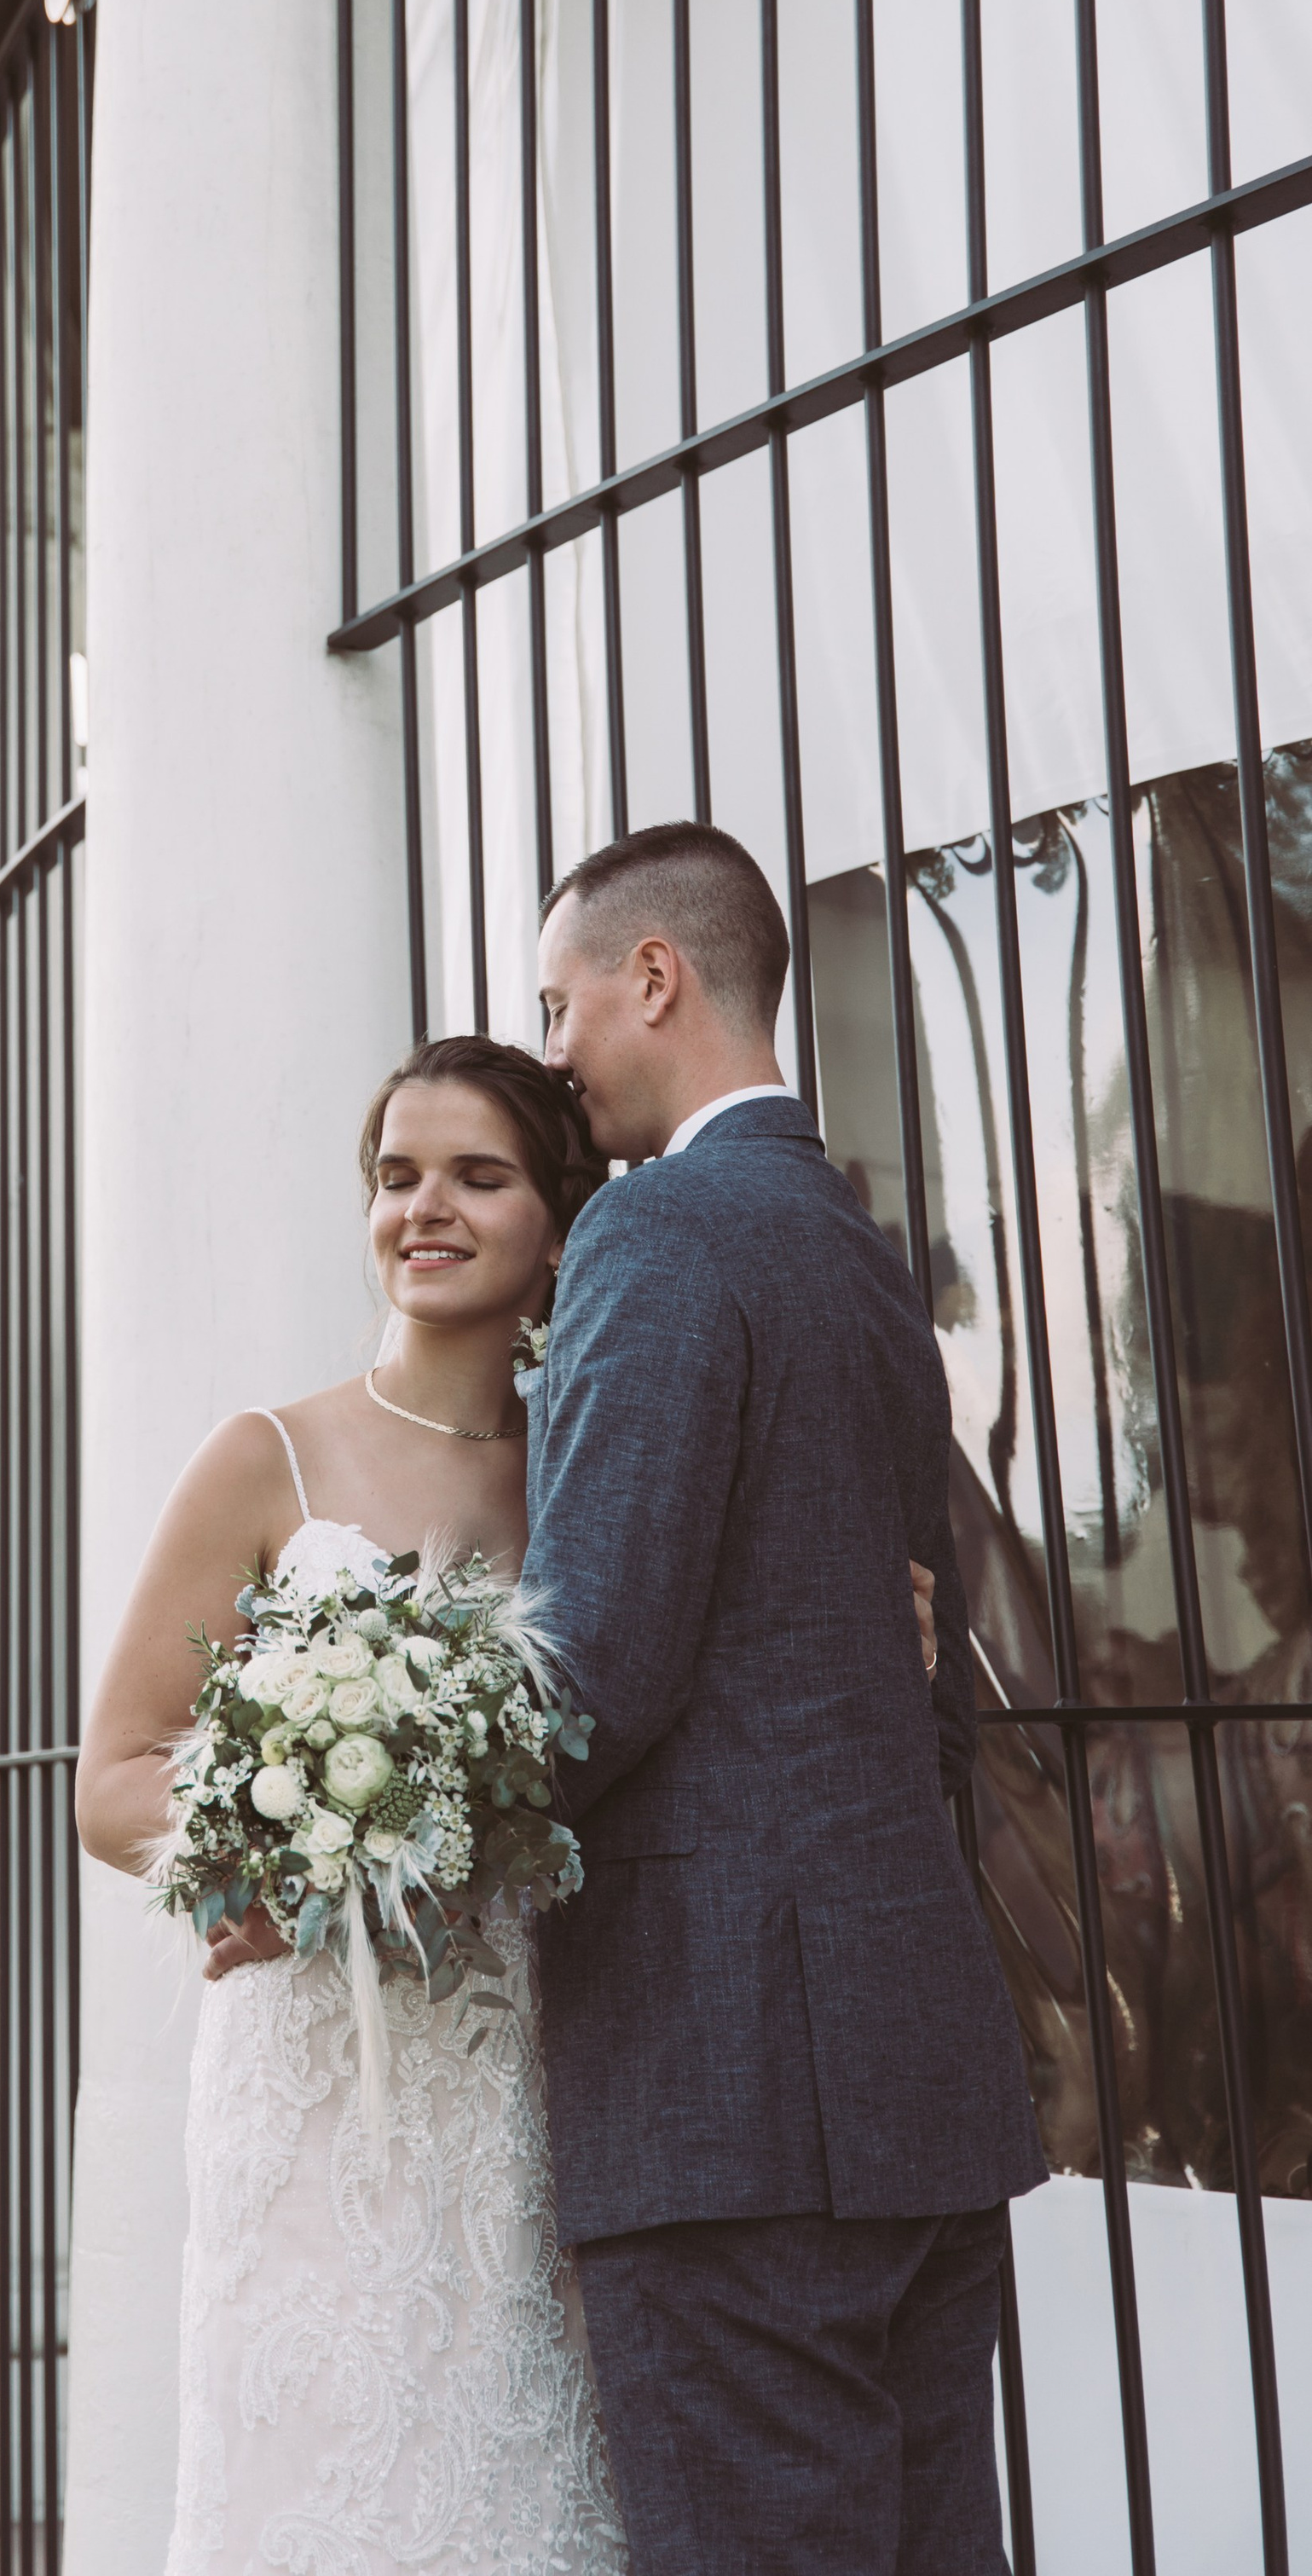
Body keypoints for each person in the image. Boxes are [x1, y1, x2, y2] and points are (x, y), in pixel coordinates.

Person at [78, 1028, 945, 2574]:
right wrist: (269, 1866)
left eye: (478, 1176)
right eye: (396, 1175)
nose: (426, 1208)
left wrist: (877, 1622)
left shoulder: (600, 1460)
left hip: (549, 2067)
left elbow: (700, 1684)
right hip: (325, 2069)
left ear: (562, 1217)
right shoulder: (268, 1454)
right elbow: (119, 1775)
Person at [527, 822, 1047, 2576]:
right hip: (911, 2064)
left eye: (559, 1003)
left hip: (725, 2090)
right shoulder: (853, 1247)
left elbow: (589, 1668)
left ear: (650, 976)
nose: (552, 1052)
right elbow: (920, 1664)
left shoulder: (653, 1233)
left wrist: (370, 1840)